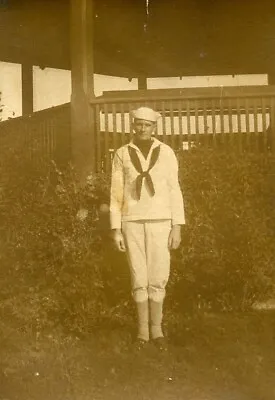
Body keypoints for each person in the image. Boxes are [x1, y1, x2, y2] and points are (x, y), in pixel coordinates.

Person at [110, 106, 185, 350]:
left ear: (155, 127)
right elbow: (116, 192)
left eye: (147, 125)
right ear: (133, 125)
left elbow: (175, 189)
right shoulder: (122, 153)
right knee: (138, 275)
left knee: (159, 274)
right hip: (131, 221)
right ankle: (143, 331)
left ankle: (157, 329)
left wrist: (177, 226)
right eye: (138, 124)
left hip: (161, 221)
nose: (142, 128)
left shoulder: (166, 153)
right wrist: (116, 229)